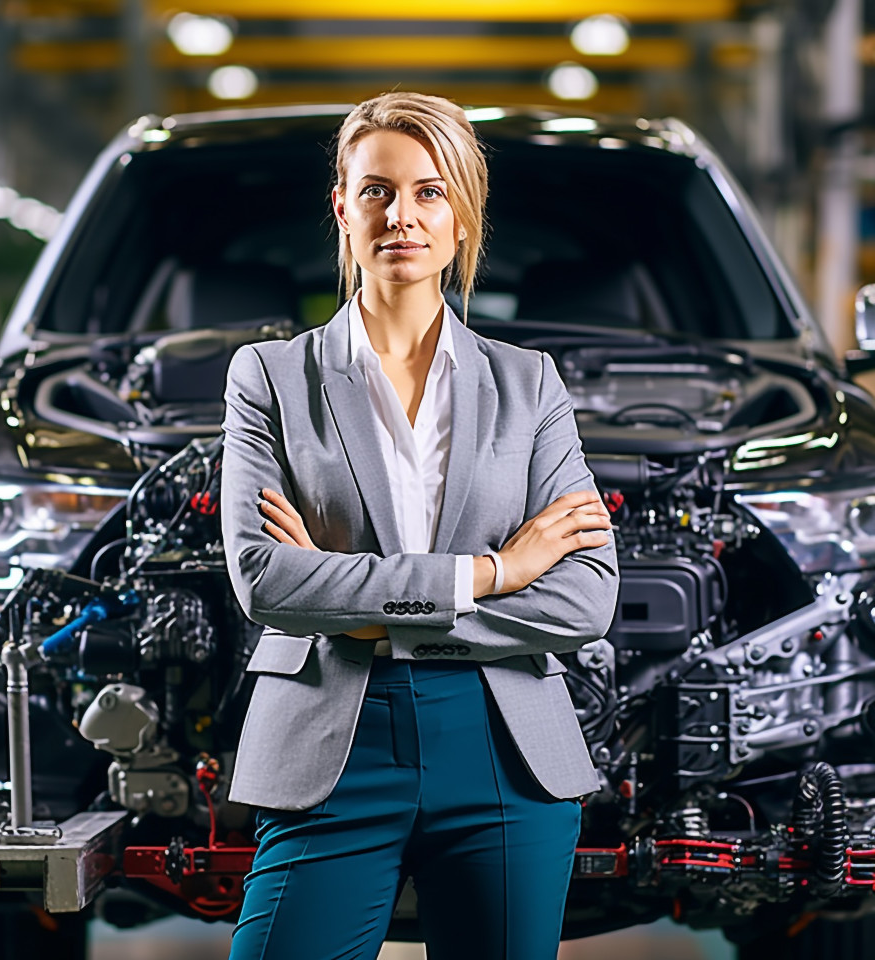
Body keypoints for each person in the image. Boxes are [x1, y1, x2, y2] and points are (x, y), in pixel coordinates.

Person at [220, 91, 618, 960]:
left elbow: (586, 598)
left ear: (464, 216)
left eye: (430, 192)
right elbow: (264, 581)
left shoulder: (530, 384)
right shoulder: (272, 378)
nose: (402, 215)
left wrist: (348, 598)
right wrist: (492, 573)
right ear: (342, 207)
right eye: (377, 191)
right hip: (332, 742)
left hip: (504, 749)